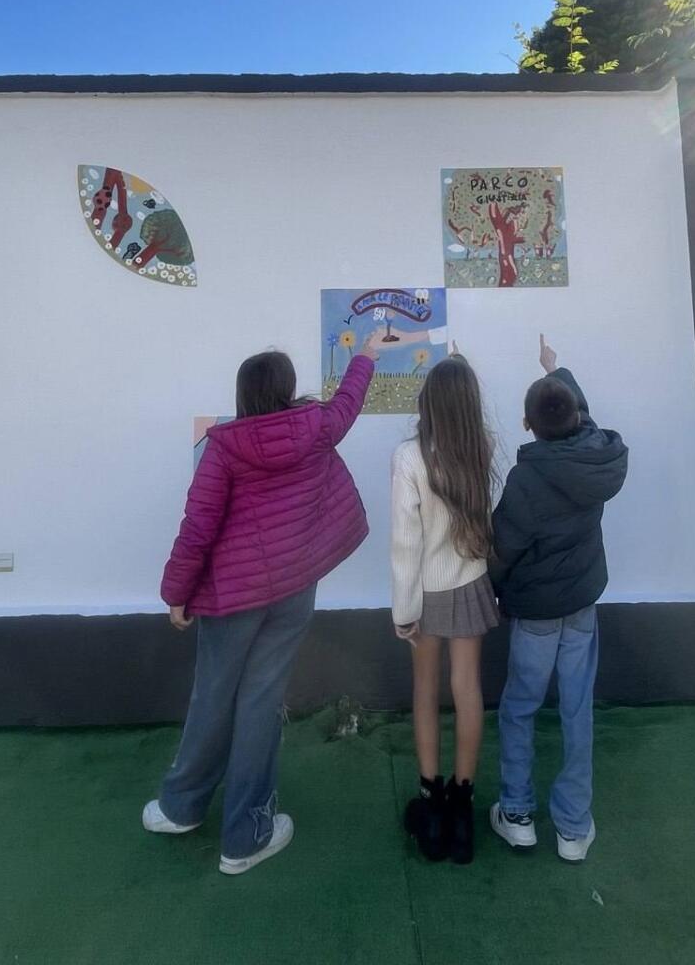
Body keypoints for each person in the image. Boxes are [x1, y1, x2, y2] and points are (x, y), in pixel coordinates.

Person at [142, 338, 379, 875]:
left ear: (243, 394)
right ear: (287, 389)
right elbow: (348, 402)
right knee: (259, 703)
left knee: (213, 695)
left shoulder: (224, 447)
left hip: (233, 595)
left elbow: (198, 527)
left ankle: (181, 808)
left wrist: (176, 593)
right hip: (293, 589)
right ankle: (246, 836)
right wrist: (365, 354)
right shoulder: (317, 426)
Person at [490, 335, 628, 863]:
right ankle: (573, 828)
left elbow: (503, 550)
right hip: (582, 607)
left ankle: (517, 816)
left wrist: (494, 593)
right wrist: (556, 370)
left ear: (527, 424)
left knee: (519, 708)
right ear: (575, 417)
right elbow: (581, 416)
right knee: (577, 710)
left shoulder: (526, 479)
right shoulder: (598, 454)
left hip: (536, 614)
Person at [390, 351, 500, 865]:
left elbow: (405, 543)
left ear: (428, 403)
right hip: (470, 582)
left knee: (425, 693)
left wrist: (403, 609)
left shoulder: (409, 457)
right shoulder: (481, 447)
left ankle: (431, 810)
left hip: (424, 593)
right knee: (467, 691)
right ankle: (462, 810)